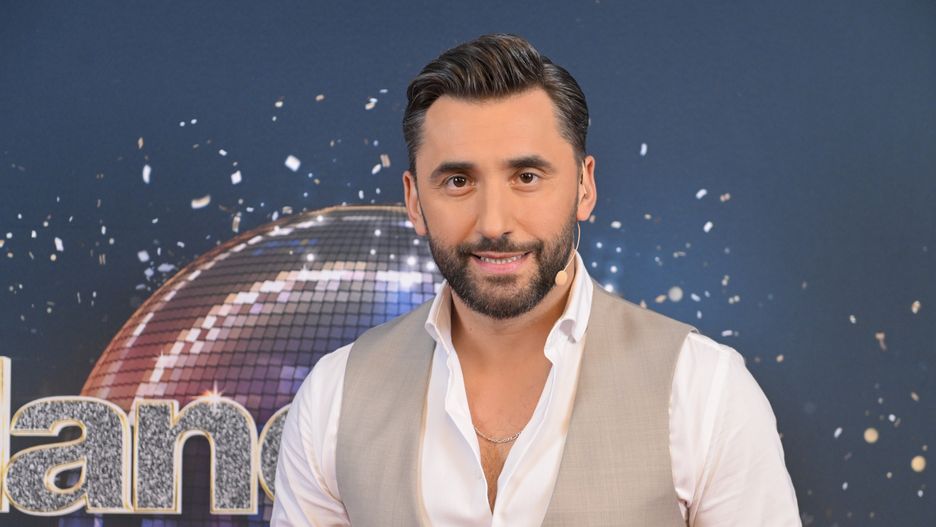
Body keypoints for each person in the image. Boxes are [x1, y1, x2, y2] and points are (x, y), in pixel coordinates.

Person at [272, 33, 801, 526]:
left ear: (584, 187)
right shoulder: (333, 396)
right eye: (458, 181)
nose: (494, 223)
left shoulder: (704, 389)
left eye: (526, 177)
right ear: (414, 200)